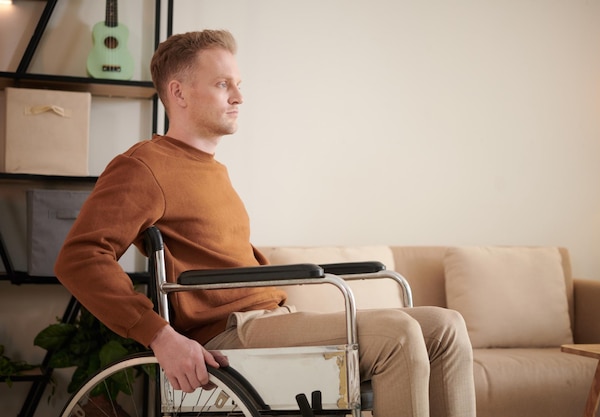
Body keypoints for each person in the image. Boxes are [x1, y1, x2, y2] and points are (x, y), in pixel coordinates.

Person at [55, 29, 476, 417]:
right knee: (399, 332)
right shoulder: (143, 167)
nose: (239, 96)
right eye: (223, 84)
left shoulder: (211, 169)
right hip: (233, 333)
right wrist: (161, 336)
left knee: (447, 326)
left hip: (271, 318)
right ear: (179, 93)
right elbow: (80, 258)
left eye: (239, 84)